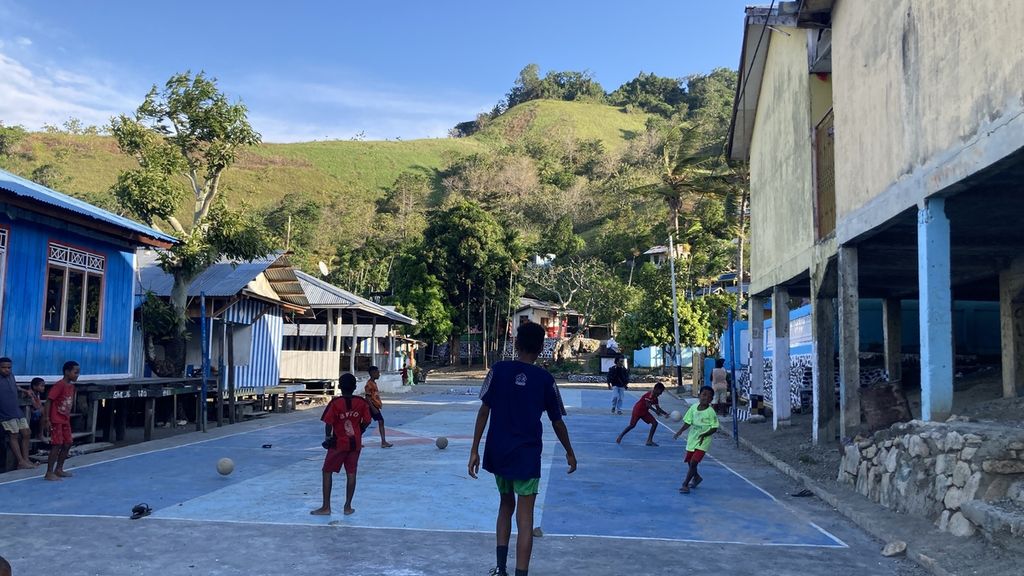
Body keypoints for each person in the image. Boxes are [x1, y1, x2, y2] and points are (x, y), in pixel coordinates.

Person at [469, 321, 577, 576]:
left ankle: (500, 568)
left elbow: (484, 410)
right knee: (525, 518)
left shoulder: (497, 370)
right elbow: (557, 421)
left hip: (498, 451)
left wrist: (474, 449)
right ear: (541, 348)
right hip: (527, 455)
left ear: (516, 344)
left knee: (505, 506)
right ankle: (520, 573)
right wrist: (569, 452)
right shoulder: (545, 379)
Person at [311, 373, 371, 516]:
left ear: (339, 387)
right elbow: (367, 420)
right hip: (355, 444)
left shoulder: (335, 403)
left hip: (338, 444)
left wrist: (327, 437)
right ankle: (348, 507)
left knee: (327, 471)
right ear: (355, 387)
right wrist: (360, 430)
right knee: (351, 473)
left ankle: (326, 507)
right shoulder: (361, 402)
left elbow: (328, 422)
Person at [673, 386, 719, 494]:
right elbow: (688, 422)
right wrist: (680, 431)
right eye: (704, 394)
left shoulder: (711, 412)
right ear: (699, 396)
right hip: (692, 439)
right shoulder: (693, 408)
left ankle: (685, 484)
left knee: (693, 462)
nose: (706, 397)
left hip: (703, 441)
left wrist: (705, 434)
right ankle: (697, 478)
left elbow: (714, 427)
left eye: (709, 396)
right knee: (690, 462)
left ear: (711, 400)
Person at [44, 361, 79, 481]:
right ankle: (49, 472)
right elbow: (49, 401)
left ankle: (59, 469)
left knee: (68, 443)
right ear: (67, 372)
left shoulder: (72, 387)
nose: (77, 375)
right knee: (57, 444)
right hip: (56, 419)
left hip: (65, 419)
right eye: (75, 372)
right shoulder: (59, 385)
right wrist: (47, 418)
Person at [0, 357, 35, 470]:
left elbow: (16, 387)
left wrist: (25, 391)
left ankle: (26, 459)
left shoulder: (11, 376)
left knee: (27, 433)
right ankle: (20, 461)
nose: (7, 370)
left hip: (16, 410)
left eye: (9, 367)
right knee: (13, 434)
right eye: (3, 367)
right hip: (5, 413)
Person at [363, 366, 393, 448]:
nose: (379, 374)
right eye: (377, 373)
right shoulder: (369, 384)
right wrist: (373, 408)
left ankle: (383, 441)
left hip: (374, 405)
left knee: (366, 423)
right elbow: (367, 397)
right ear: (373, 373)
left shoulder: (373, 383)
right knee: (379, 421)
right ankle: (383, 442)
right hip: (372, 406)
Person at [23, 378, 46, 443]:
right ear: (34, 386)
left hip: (35, 413)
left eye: (43, 386)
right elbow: (35, 406)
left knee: (44, 411)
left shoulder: (37, 394)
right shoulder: (31, 393)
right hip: (29, 414)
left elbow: (39, 405)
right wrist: (42, 409)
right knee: (43, 412)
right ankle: (40, 434)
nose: (43, 388)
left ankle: (41, 433)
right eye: (41, 386)